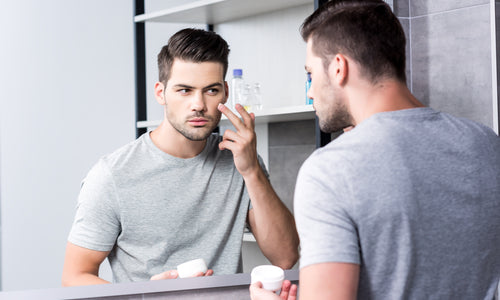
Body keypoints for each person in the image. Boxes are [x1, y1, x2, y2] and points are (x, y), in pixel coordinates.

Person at [250, 0, 500, 299]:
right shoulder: (485, 143)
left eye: (311, 74)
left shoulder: (331, 170)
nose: (310, 90)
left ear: (339, 68)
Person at [62, 28, 299, 286]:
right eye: (184, 90)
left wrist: (252, 171)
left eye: (210, 90)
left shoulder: (241, 161)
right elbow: (75, 276)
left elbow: (285, 257)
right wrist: (144, 296)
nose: (198, 104)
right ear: (160, 93)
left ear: (225, 93)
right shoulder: (112, 175)